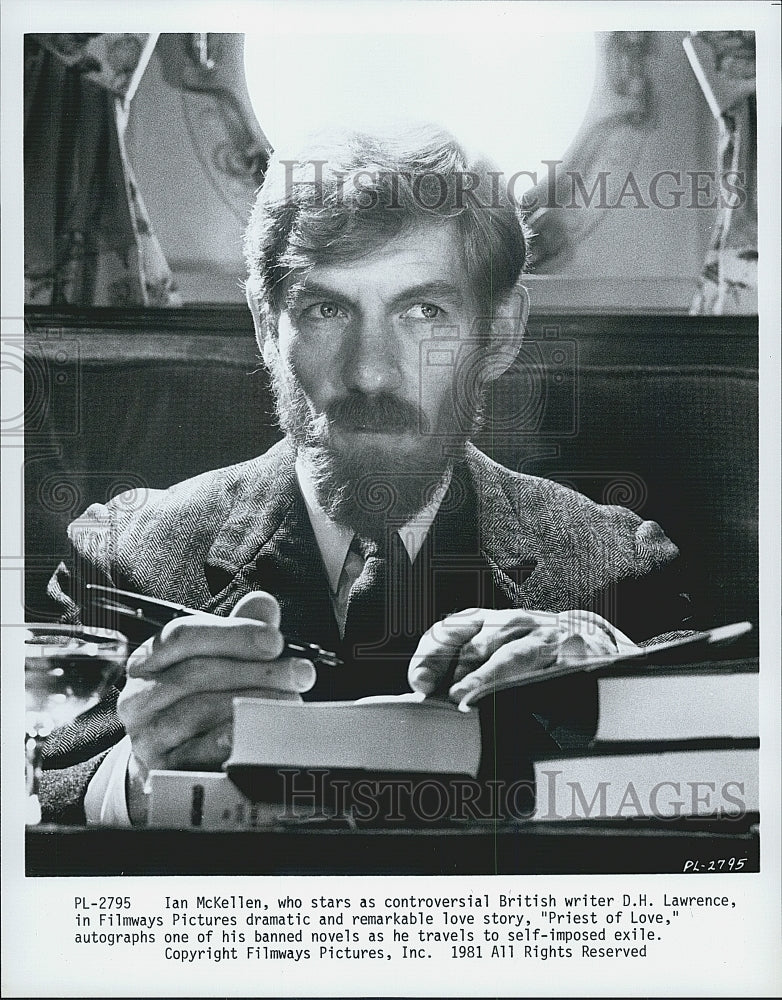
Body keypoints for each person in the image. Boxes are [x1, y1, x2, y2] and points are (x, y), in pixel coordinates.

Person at [39, 125, 693, 825]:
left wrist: (615, 690)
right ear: (266, 326)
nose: (369, 372)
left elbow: (719, 803)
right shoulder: (123, 559)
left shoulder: (617, 567)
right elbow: (44, 783)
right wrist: (136, 779)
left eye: (424, 311)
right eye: (326, 310)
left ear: (499, 334)